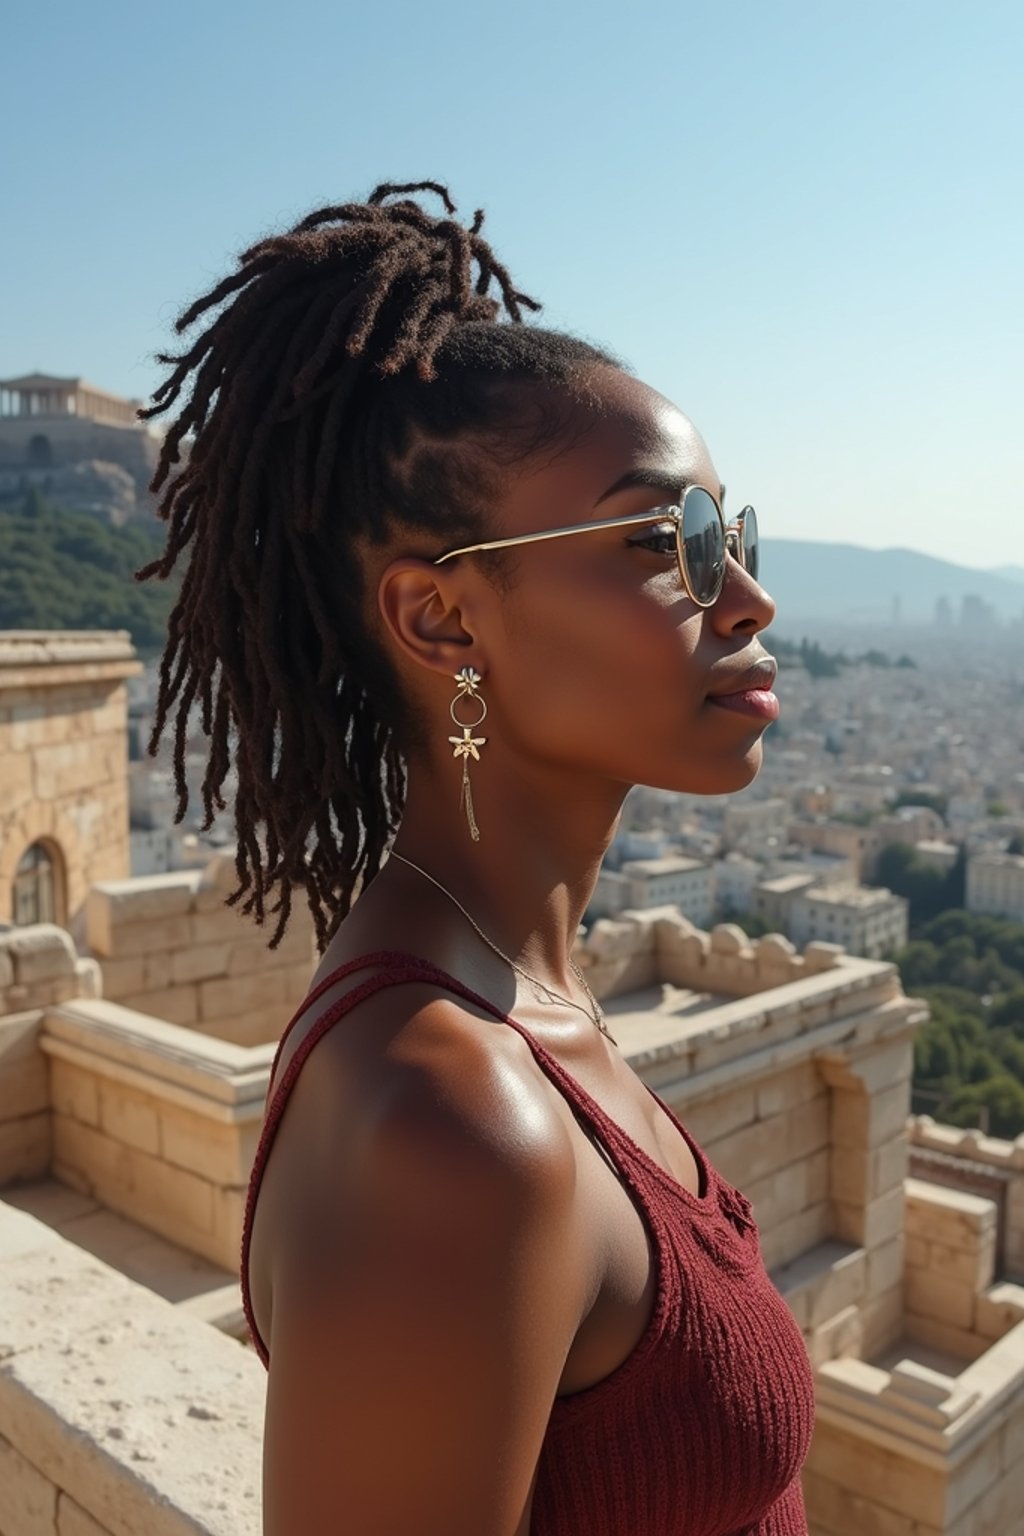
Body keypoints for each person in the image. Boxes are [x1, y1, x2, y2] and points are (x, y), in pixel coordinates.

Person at [140, 181, 815, 1535]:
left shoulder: (518, 1004)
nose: (745, 595)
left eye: (729, 535)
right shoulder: (452, 1128)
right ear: (443, 619)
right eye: (667, 540)